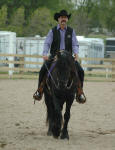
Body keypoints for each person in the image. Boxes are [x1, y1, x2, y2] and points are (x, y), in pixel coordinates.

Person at [33, 10, 86, 103]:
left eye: (65, 17)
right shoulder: (52, 31)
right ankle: (39, 90)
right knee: (43, 70)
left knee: (81, 71)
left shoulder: (71, 31)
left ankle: (80, 92)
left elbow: (75, 44)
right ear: (58, 19)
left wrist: (76, 53)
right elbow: (47, 43)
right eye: (61, 17)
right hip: (55, 56)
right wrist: (45, 53)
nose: (63, 19)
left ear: (67, 19)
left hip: (68, 57)